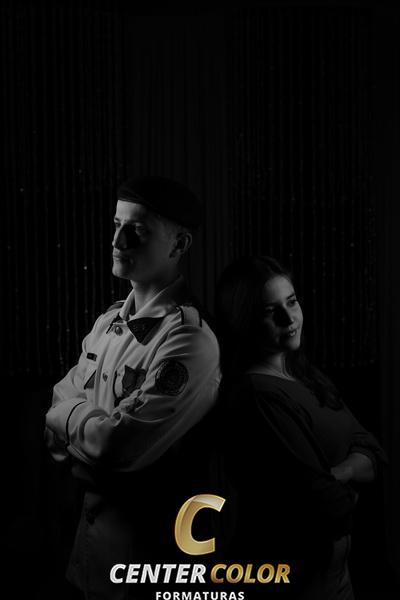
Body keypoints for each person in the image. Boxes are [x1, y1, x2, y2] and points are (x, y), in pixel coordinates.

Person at [45, 176, 220, 599]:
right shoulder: (108, 323)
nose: (117, 241)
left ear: (179, 245)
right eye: (116, 224)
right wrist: (84, 434)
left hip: (150, 561)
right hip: (88, 557)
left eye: (137, 230)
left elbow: (114, 448)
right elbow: (56, 429)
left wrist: (69, 422)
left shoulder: (189, 340)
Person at [214, 255, 386, 599]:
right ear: (244, 321)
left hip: (336, 572)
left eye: (291, 302)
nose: (288, 317)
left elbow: (373, 449)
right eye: (270, 311)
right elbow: (327, 507)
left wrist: (338, 473)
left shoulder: (303, 374)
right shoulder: (257, 395)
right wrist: (351, 478)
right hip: (292, 575)